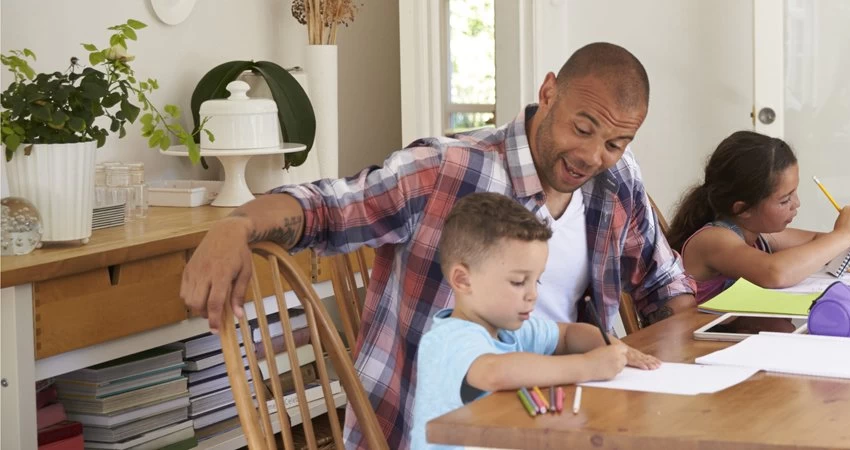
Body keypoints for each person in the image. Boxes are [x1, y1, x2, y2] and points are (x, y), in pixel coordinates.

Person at [179, 42, 695, 448]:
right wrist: (237, 225)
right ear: (549, 91)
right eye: (583, 129)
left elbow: (663, 281)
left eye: (615, 142)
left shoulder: (617, 180)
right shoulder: (445, 170)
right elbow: (325, 207)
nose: (591, 155)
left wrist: (691, 367)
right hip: (439, 431)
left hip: (569, 419)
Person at [410, 193, 659, 450]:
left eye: (536, 281)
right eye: (519, 282)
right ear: (463, 280)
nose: (533, 294)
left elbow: (566, 335)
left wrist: (614, 346)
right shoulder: (449, 339)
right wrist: (587, 366)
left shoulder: (510, 331)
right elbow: (495, 372)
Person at [667, 131, 850, 301]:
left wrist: (841, 246)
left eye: (794, 193)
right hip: (699, 344)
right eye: (784, 200)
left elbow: (817, 241)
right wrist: (843, 236)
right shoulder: (712, 239)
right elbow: (775, 272)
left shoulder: (756, 234)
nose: (796, 204)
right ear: (743, 209)